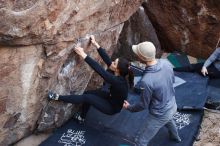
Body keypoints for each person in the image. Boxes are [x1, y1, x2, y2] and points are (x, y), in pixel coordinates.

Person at [48, 35, 133, 122]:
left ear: (117, 69)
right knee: (88, 93)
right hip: (110, 97)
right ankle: (82, 117)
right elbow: (107, 59)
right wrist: (96, 44)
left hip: (111, 107)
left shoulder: (118, 81)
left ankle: (57, 97)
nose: (112, 62)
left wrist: (82, 54)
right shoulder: (119, 73)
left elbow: (99, 70)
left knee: (87, 98)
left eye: (114, 63)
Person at [123, 42, 181, 146]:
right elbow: (172, 81)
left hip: (159, 114)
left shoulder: (146, 81)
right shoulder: (166, 63)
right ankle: (176, 138)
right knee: (168, 119)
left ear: (141, 57)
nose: (136, 54)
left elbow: (143, 105)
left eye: (137, 53)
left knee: (140, 141)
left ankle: (175, 137)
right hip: (172, 105)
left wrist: (129, 107)